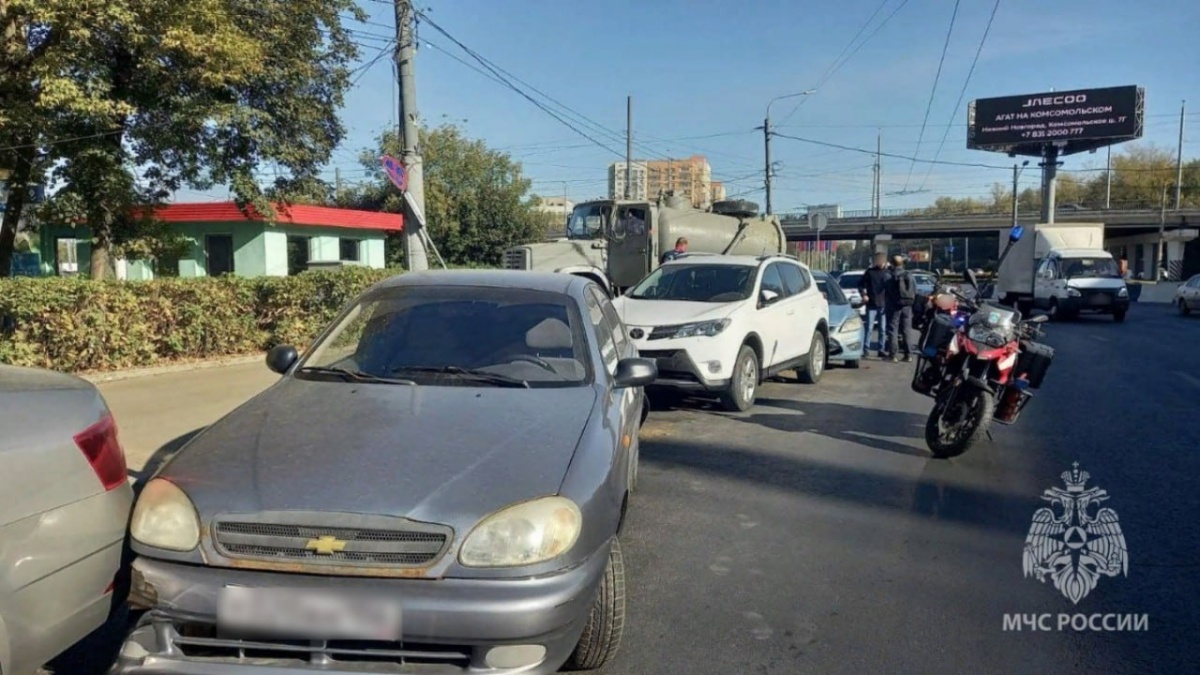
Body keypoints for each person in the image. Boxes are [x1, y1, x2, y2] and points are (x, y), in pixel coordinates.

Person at [857, 253, 891, 358]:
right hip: (871, 303)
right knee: (869, 328)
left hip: (883, 305)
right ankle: (865, 349)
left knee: (882, 329)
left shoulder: (888, 273)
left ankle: (881, 349)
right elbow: (860, 285)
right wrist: (864, 294)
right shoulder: (870, 272)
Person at [885, 254, 916, 362]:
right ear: (902, 263)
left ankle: (893, 355)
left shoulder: (889, 275)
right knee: (907, 330)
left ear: (892, 263)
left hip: (893, 305)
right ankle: (908, 355)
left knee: (893, 330)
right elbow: (914, 289)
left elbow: (885, 289)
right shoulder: (909, 275)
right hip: (907, 305)